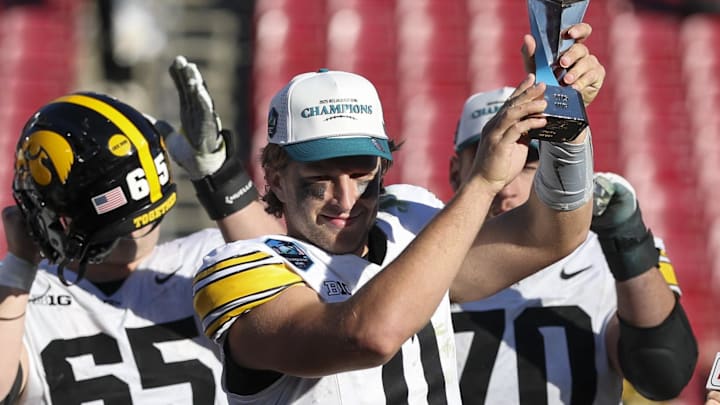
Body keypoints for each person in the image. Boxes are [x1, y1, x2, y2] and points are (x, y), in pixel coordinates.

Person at [190, 23, 599, 404]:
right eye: (320, 178)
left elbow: (552, 235)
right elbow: (367, 337)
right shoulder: (239, 269)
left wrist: (566, 123)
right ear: (275, 178)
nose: (345, 199)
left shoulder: (409, 220)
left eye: (361, 174)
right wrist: (481, 183)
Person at [0, 57, 283, 404]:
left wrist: (217, 174)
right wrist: (18, 269)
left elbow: (297, 285)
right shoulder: (23, 297)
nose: (141, 229)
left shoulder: (207, 257)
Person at [449, 87, 698, 404]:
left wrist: (627, 244)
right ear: (455, 171)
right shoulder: (418, 257)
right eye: (489, 159)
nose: (507, 187)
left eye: (528, 164)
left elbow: (662, 371)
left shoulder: (601, 254)